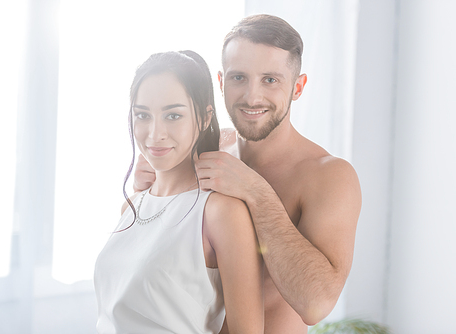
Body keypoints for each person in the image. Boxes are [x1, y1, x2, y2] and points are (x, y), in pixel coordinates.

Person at [133, 15, 362, 333]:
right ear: (221, 81)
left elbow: (315, 304)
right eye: (239, 77)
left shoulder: (328, 177)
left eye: (270, 80)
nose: (252, 97)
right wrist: (148, 184)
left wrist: (256, 193)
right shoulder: (204, 147)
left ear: (298, 87)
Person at [94, 50, 264, 334]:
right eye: (143, 115)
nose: (154, 133)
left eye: (173, 115)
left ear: (204, 117)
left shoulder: (220, 212)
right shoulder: (132, 206)